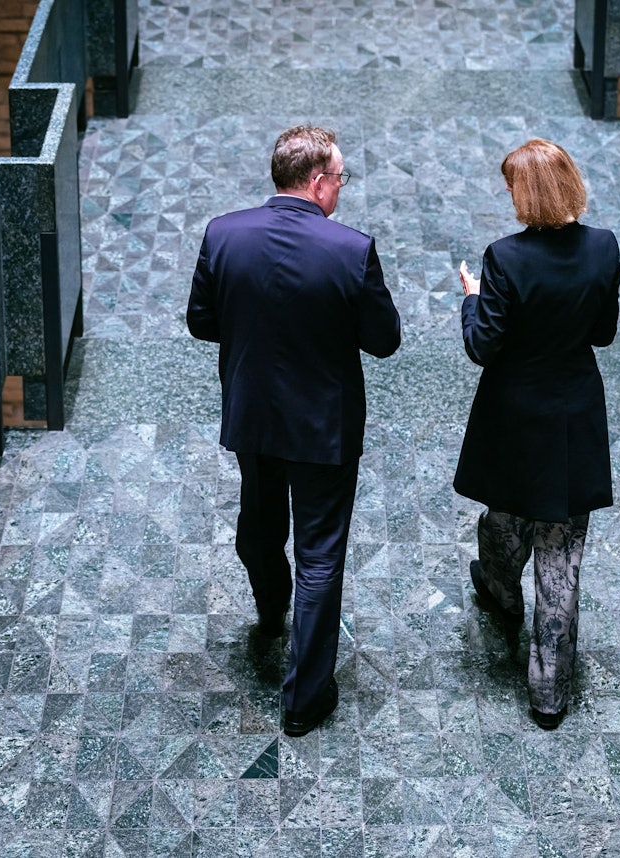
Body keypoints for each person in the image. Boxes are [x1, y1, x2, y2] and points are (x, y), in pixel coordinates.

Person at [187, 125, 401, 737]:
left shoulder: (223, 233)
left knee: (259, 524)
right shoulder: (351, 250)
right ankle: (305, 700)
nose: (341, 188)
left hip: (253, 415)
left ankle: (269, 604)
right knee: (321, 553)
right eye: (340, 178)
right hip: (324, 429)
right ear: (316, 182)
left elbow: (201, 321)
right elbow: (384, 341)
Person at [455, 138, 620, 730]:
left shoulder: (505, 258)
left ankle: (500, 589)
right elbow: (602, 334)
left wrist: (472, 299)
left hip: (516, 415)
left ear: (525, 194)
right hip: (574, 415)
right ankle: (549, 695)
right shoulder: (603, 248)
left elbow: (482, 346)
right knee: (563, 551)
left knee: (505, 516)